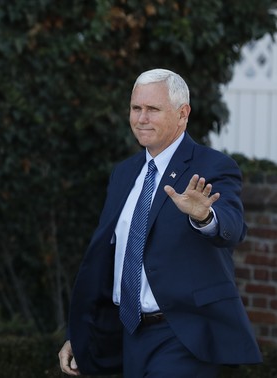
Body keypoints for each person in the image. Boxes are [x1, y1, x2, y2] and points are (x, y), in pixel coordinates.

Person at [58, 68, 261, 377]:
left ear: (183, 114)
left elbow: (232, 227)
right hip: (129, 335)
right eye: (136, 108)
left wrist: (204, 216)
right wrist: (82, 333)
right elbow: (108, 259)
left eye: (152, 109)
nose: (141, 118)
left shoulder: (212, 166)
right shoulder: (124, 173)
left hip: (182, 336)